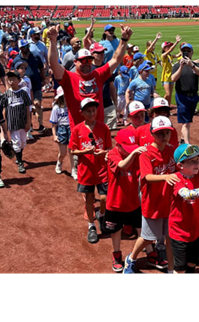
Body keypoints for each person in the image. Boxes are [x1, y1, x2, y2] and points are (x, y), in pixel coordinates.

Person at [49, 24, 131, 128]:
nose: (86, 63)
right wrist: (52, 40)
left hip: (98, 132)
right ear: (75, 62)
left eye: (89, 60)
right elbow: (53, 64)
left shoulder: (98, 74)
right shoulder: (69, 78)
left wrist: (123, 39)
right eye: (83, 60)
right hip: (78, 134)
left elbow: (116, 59)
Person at [125, 116, 178, 274]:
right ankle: (132, 258)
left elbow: (177, 169)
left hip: (168, 203)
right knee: (148, 237)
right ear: (152, 134)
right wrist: (166, 177)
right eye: (160, 133)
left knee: (170, 238)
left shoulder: (171, 151)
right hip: (152, 203)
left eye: (167, 132)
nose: (164, 136)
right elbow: (147, 176)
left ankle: (170, 269)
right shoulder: (146, 153)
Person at [104, 128, 146, 273]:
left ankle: (150, 252)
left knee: (142, 229)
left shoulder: (133, 156)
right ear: (118, 145)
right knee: (116, 231)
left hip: (133, 201)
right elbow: (121, 165)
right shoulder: (112, 154)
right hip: (115, 203)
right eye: (127, 149)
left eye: (132, 149)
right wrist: (134, 153)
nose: (130, 151)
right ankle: (116, 255)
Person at [167, 144, 199, 274]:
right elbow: (187, 194)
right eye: (192, 161)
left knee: (192, 262)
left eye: (197, 160)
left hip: (195, 229)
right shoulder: (176, 179)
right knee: (180, 268)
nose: (197, 163)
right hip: (178, 231)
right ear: (180, 165)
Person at [70, 98, 112, 244]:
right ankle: (91, 226)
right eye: (88, 111)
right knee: (89, 200)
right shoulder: (77, 129)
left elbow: (109, 149)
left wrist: (103, 153)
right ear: (82, 113)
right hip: (86, 171)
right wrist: (84, 151)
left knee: (104, 198)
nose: (92, 113)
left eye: (94, 110)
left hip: (101, 170)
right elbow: (73, 150)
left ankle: (101, 215)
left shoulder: (104, 128)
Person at [170, 43, 199, 144]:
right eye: (184, 51)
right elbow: (173, 78)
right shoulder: (176, 66)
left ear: (192, 52)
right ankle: (187, 145)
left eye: (188, 51)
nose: (186, 53)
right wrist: (181, 67)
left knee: (188, 120)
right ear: (181, 53)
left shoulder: (196, 65)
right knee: (186, 123)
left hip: (193, 97)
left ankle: (182, 140)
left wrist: (192, 65)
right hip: (182, 97)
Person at [1, 72, 32, 174]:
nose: (11, 81)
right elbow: (3, 109)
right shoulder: (6, 94)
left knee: (23, 143)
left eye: (13, 79)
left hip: (23, 122)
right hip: (12, 123)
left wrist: (29, 122)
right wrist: (4, 125)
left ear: (19, 80)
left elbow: (28, 108)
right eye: (9, 79)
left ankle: (18, 156)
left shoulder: (23, 93)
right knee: (17, 143)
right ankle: (20, 162)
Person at [50, 87, 77, 179]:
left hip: (71, 128)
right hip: (61, 129)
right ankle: (59, 161)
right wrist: (54, 135)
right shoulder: (56, 108)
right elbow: (53, 124)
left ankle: (74, 169)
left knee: (72, 152)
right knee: (63, 152)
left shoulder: (72, 106)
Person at [160, 36, 183, 103]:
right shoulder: (163, 56)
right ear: (164, 48)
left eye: (170, 46)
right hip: (165, 77)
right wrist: (177, 42)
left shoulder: (170, 56)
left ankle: (168, 109)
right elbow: (170, 50)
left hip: (171, 77)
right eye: (168, 46)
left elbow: (178, 55)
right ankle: (161, 103)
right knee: (168, 94)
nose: (169, 47)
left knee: (170, 96)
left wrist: (182, 49)